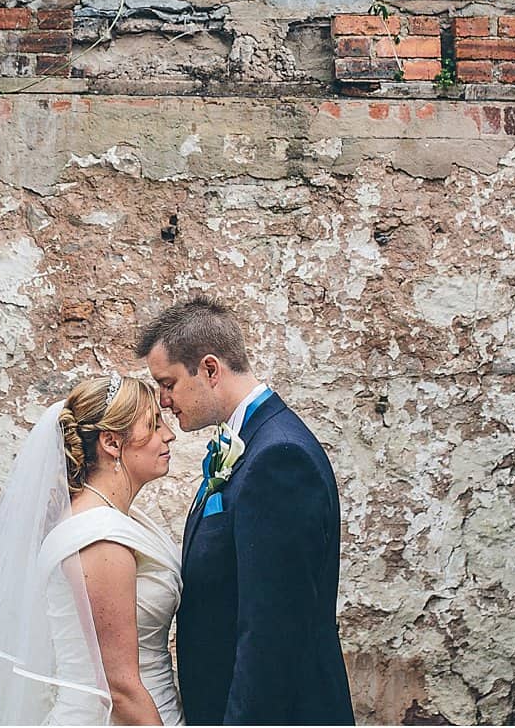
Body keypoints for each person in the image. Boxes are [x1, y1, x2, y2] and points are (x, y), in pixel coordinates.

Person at [138, 299, 354, 726]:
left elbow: (273, 633)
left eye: (168, 383)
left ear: (210, 369)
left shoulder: (279, 457)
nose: (164, 401)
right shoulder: (250, 445)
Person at [0, 374, 184, 725]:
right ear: (112, 443)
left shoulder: (118, 520)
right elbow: (119, 688)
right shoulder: (99, 537)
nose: (169, 434)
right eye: (153, 424)